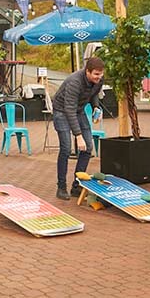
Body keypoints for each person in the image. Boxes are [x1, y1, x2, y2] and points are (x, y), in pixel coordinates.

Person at [52, 57, 105, 200]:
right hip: (62, 111)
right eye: (96, 74)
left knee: (88, 147)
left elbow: (93, 94)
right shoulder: (75, 82)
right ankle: (61, 187)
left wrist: (96, 107)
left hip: (79, 110)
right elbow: (69, 109)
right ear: (87, 71)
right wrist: (78, 135)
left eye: (100, 74)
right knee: (66, 148)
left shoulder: (98, 80)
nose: (99, 77)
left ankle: (77, 185)